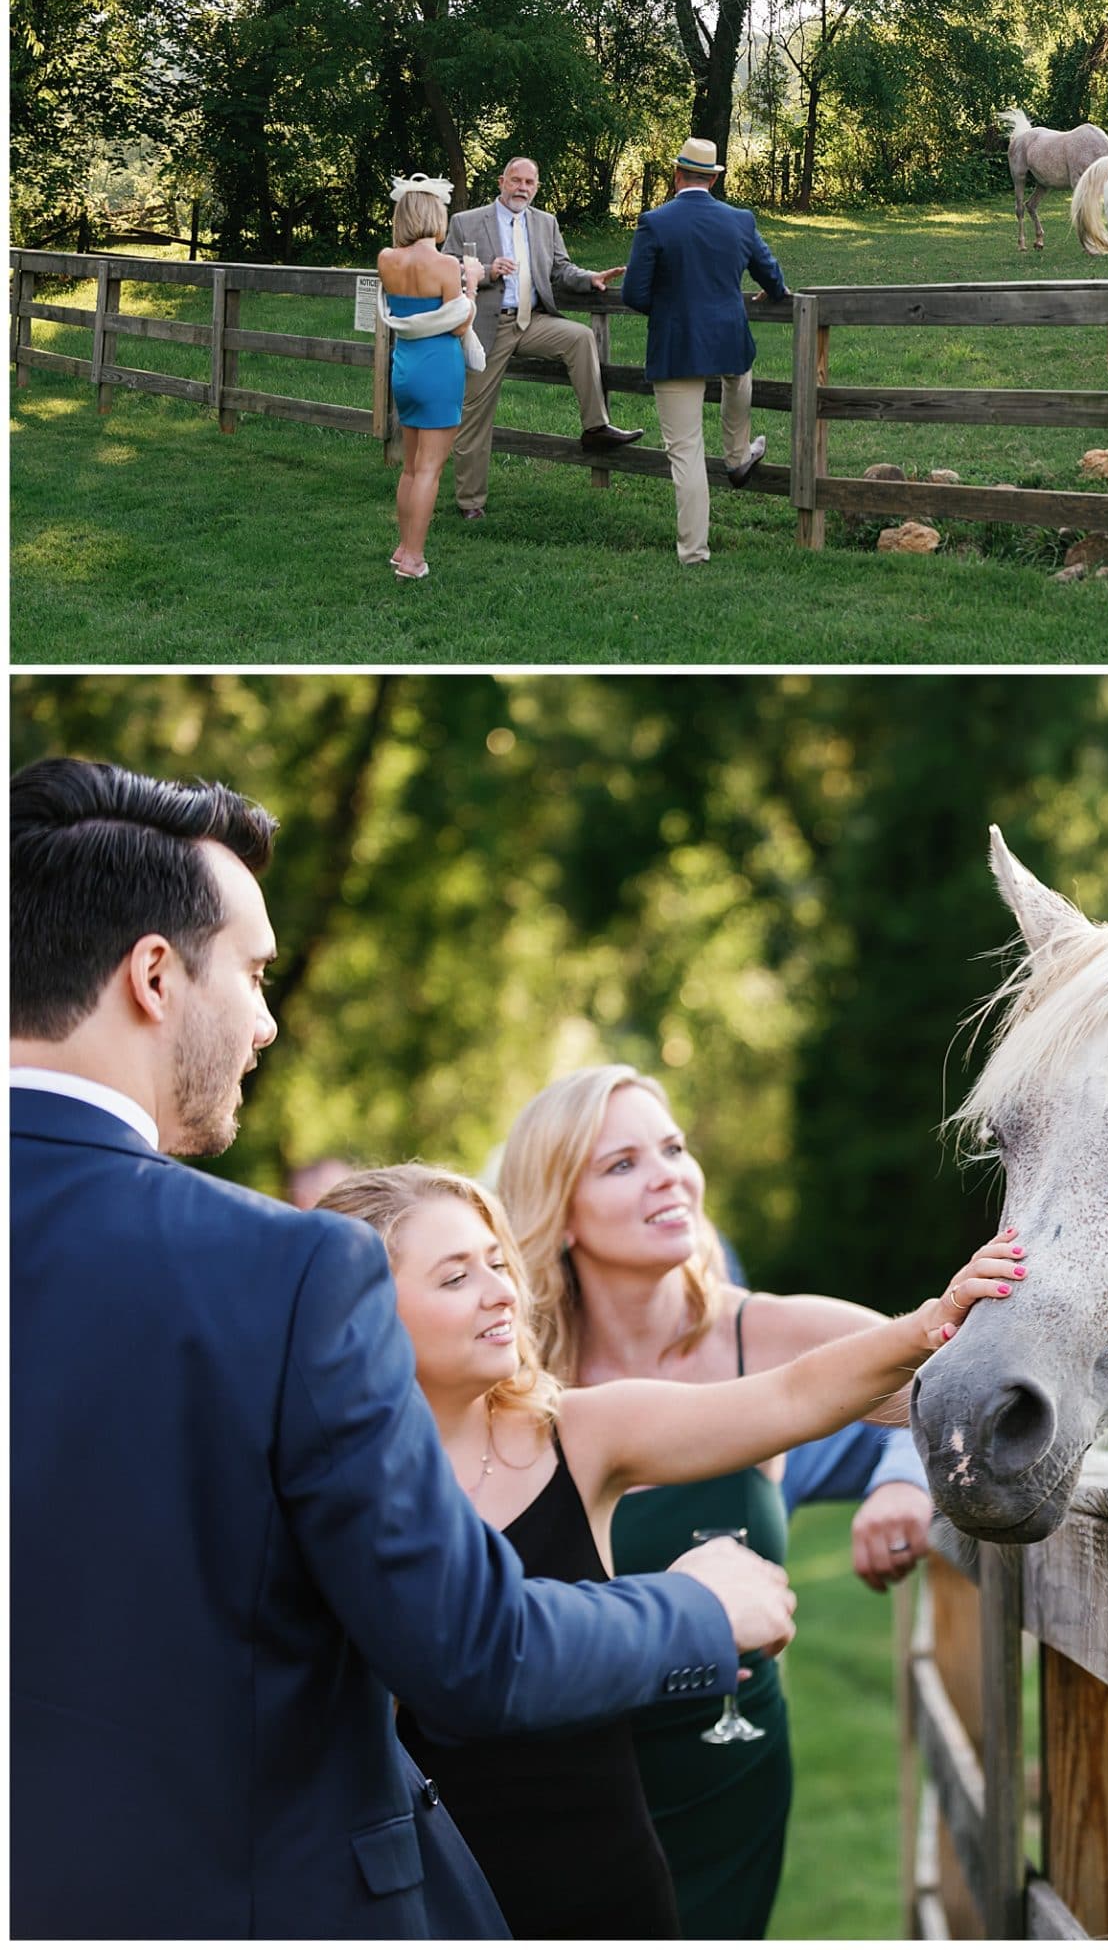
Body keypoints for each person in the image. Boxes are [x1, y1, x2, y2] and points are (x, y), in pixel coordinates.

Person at [10, 757, 795, 1941]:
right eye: (257, 971)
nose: (267, 1019)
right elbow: (472, 1649)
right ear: (156, 976)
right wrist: (693, 1611)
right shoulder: (287, 1273)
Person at [322, 1164, 1020, 1940]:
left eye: (496, 1262)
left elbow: (789, 1396)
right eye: (456, 1277)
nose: (499, 1292)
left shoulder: (577, 1434)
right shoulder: (331, 1495)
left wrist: (927, 1323)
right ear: (368, 1312)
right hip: (432, 1905)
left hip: (609, 1887)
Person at [496, 1067, 990, 1936]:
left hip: (726, 1763)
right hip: (556, 1771)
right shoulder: (514, 1371)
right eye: (620, 1164)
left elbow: (957, 1380)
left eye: (673, 1149)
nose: (668, 1176)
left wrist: (901, 1485)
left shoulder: (761, 1333)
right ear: (559, 1211)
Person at [620, 137, 791, 566]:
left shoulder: (655, 222)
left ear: (677, 175)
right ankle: (737, 456)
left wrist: (672, 311)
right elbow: (771, 275)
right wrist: (774, 293)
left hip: (677, 345)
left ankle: (694, 551)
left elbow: (634, 293)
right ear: (713, 179)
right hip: (730, 338)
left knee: (686, 450)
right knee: (739, 383)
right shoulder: (741, 220)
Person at [443, 155, 640, 520]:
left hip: (532, 321)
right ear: (501, 181)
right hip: (488, 327)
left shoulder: (545, 222)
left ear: (536, 187)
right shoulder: (466, 222)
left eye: (529, 183)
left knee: (580, 337)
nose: (522, 188)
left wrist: (590, 278)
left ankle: (595, 427)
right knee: (474, 414)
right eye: (516, 181)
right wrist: (486, 271)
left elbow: (561, 268)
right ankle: (471, 502)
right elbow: (445, 270)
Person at [377, 173, 478, 581]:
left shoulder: (387, 258)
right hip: (438, 367)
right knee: (430, 470)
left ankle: (402, 545)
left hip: (405, 365)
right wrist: (470, 285)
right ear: (434, 214)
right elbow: (456, 325)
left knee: (410, 466)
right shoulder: (446, 265)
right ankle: (414, 558)